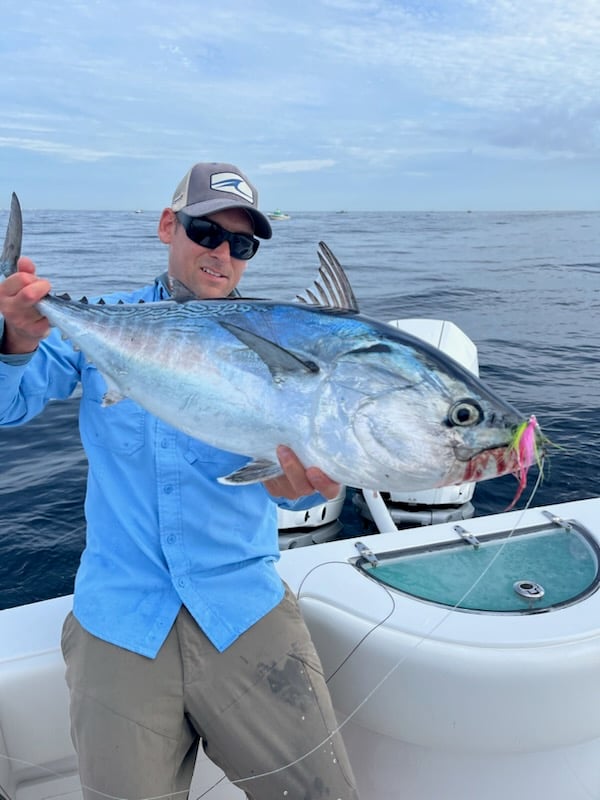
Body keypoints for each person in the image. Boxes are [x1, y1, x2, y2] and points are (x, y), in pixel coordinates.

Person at [0, 162, 360, 800]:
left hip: (243, 606)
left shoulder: (272, 340)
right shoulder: (105, 321)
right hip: (121, 614)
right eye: (205, 231)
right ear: (169, 226)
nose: (222, 254)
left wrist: (298, 485)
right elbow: (10, 405)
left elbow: (295, 479)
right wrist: (16, 341)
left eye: (241, 244)